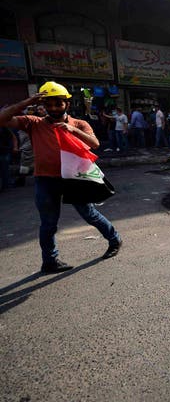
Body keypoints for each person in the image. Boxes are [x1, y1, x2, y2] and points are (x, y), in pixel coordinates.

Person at [0, 81, 123, 272]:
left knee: (89, 215)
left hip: (75, 178)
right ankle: (50, 261)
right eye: (48, 104)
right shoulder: (34, 123)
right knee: (48, 223)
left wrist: (73, 130)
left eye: (58, 104)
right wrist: (28, 101)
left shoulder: (79, 123)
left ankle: (114, 240)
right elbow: (3, 118)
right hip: (46, 180)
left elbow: (95, 144)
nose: (53, 108)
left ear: (67, 103)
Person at [0, 125, 17, 192]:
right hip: (4, 151)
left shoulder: (3, 126)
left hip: (4, 151)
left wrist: (15, 147)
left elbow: (13, 137)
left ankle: (6, 185)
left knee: (5, 169)